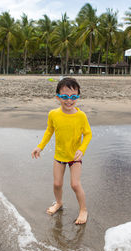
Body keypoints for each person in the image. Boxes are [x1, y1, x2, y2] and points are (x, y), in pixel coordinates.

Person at [31, 77, 92, 225]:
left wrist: (82, 149)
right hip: (59, 155)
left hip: (75, 157)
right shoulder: (53, 114)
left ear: (78, 96)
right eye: (64, 96)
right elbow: (49, 131)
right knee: (57, 184)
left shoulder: (81, 116)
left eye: (73, 96)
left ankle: (83, 210)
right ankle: (58, 203)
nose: (69, 100)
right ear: (58, 96)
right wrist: (40, 146)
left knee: (75, 184)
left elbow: (88, 134)